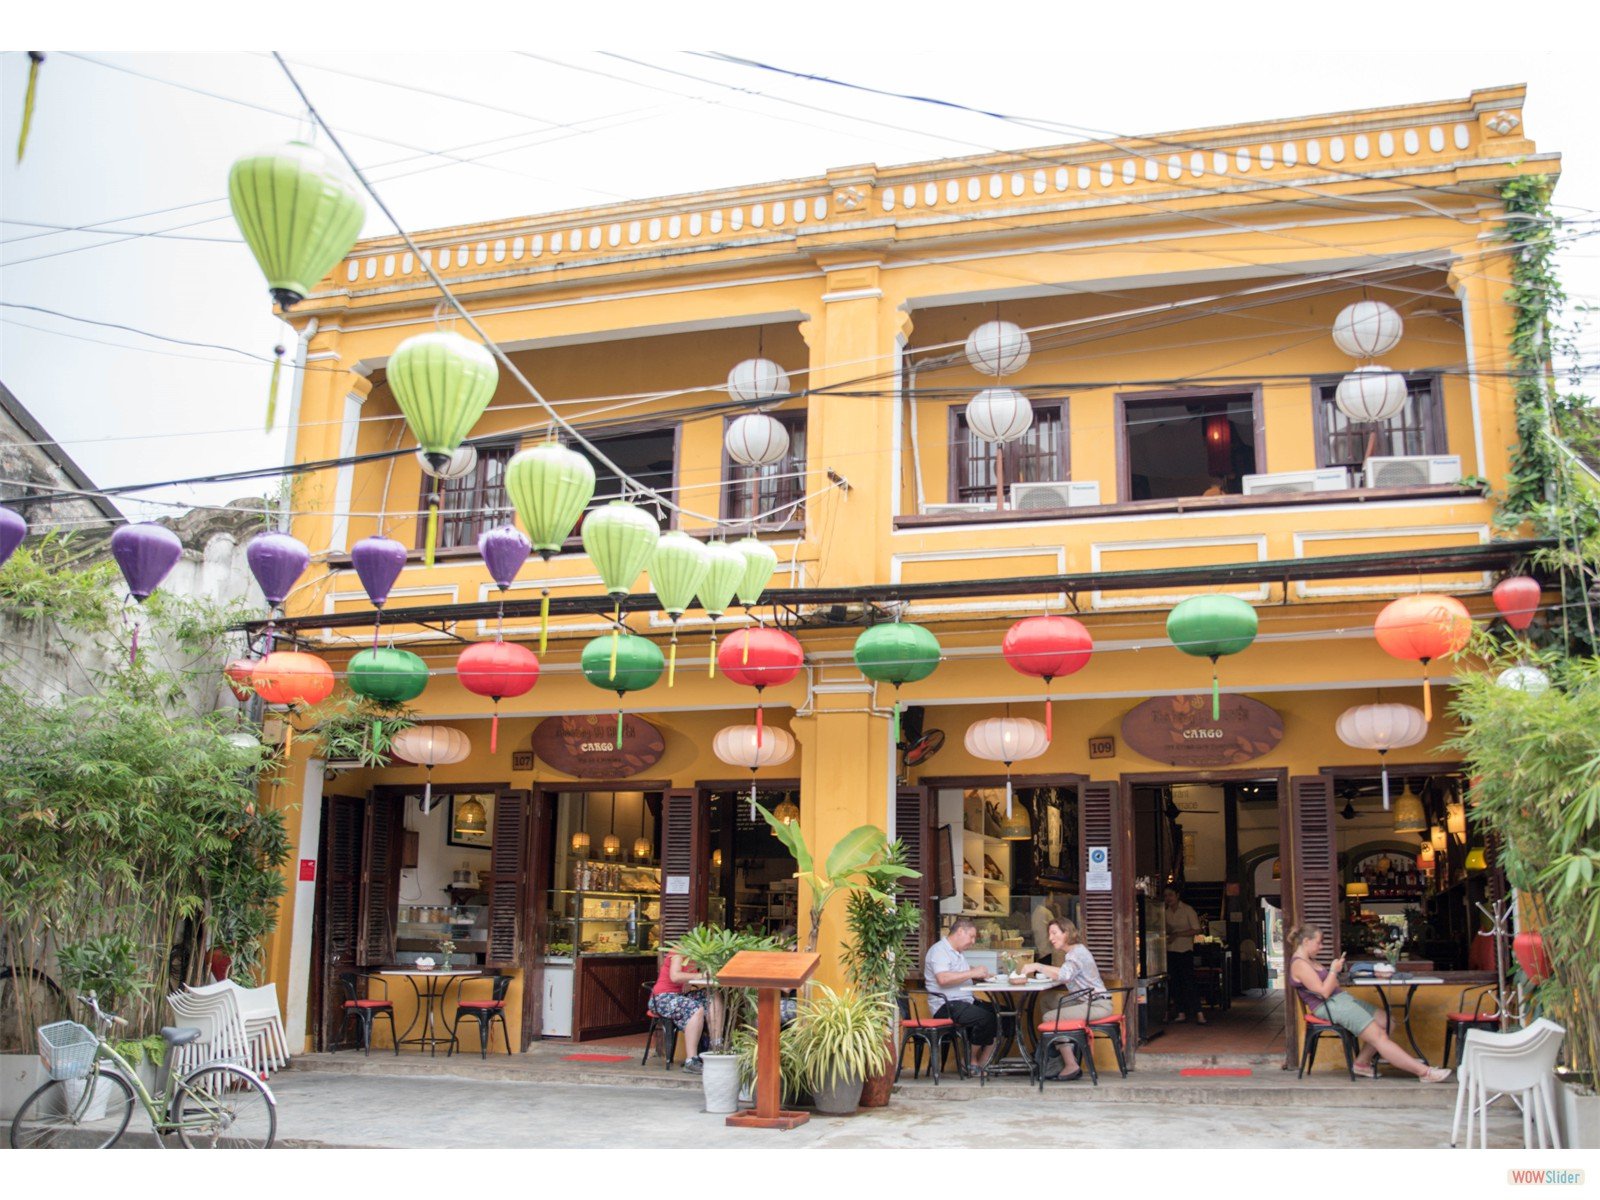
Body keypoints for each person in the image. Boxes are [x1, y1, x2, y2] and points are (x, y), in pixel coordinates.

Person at [1287, 923, 1451, 1083]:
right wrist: (1332, 971)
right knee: (1379, 1036)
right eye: (1318, 942)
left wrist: (1333, 976)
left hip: (1341, 999)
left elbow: (1332, 985)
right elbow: (1323, 992)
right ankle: (1424, 1072)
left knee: (1388, 1022)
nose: (1321, 946)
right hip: (1329, 1006)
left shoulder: (1310, 960)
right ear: (1306, 942)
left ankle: (1361, 1063)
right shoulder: (1300, 964)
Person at [1020, 918, 1112, 1080]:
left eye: (1054, 933)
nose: (1051, 938)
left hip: (1097, 1005)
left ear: (1067, 933)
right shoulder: (1074, 952)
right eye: (1049, 934)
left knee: (1050, 1018)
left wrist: (1038, 966)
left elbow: (1064, 975)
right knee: (1047, 1000)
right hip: (1085, 1001)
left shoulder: (1077, 953)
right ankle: (1063, 1052)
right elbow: (1065, 973)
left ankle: (1070, 1064)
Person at [923, 916, 998, 1071]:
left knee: (1000, 1014)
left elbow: (958, 972)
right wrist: (972, 973)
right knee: (985, 1018)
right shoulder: (939, 951)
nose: (972, 941)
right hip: (946, 1005)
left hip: (964, 1001)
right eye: (971, 936)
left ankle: (984, 1060)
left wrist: (979, 974)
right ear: (960, 931)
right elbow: (943, 978)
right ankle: (970, 1060)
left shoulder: (957, 952)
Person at [648, 949, 707, 1074]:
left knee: (712, 998)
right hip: (662, 998)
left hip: (680, 996)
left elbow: (686, 980)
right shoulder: (678, 953)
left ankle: (715, 1048)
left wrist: (688, 980)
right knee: (696, 1009)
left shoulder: (696, 956)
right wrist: (698, 976)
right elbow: (675, 976)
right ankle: (691, 1060)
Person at [1163, 885, 1207, 1026]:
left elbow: (1196, 929)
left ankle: (1199, 1013)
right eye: (1165, 896)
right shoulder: (1166, 912)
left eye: (1170, 895)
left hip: (1185, 951)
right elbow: (1167, 929)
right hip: (1171, 950)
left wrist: (1178, 934)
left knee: (1189, 982)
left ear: (1177, 895)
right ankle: (1180, 1012)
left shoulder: (1188, 910)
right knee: (1175, 982)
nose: (1168, 898)